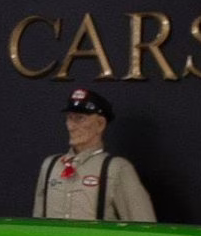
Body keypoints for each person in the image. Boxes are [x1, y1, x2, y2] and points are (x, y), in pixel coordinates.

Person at [33, 89, 155, 222]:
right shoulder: (51, 166)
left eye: (80, 119)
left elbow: (143, 224)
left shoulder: (116, 168)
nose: (71, 126)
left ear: (100, 124)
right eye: (69, 117)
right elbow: (38, 221)